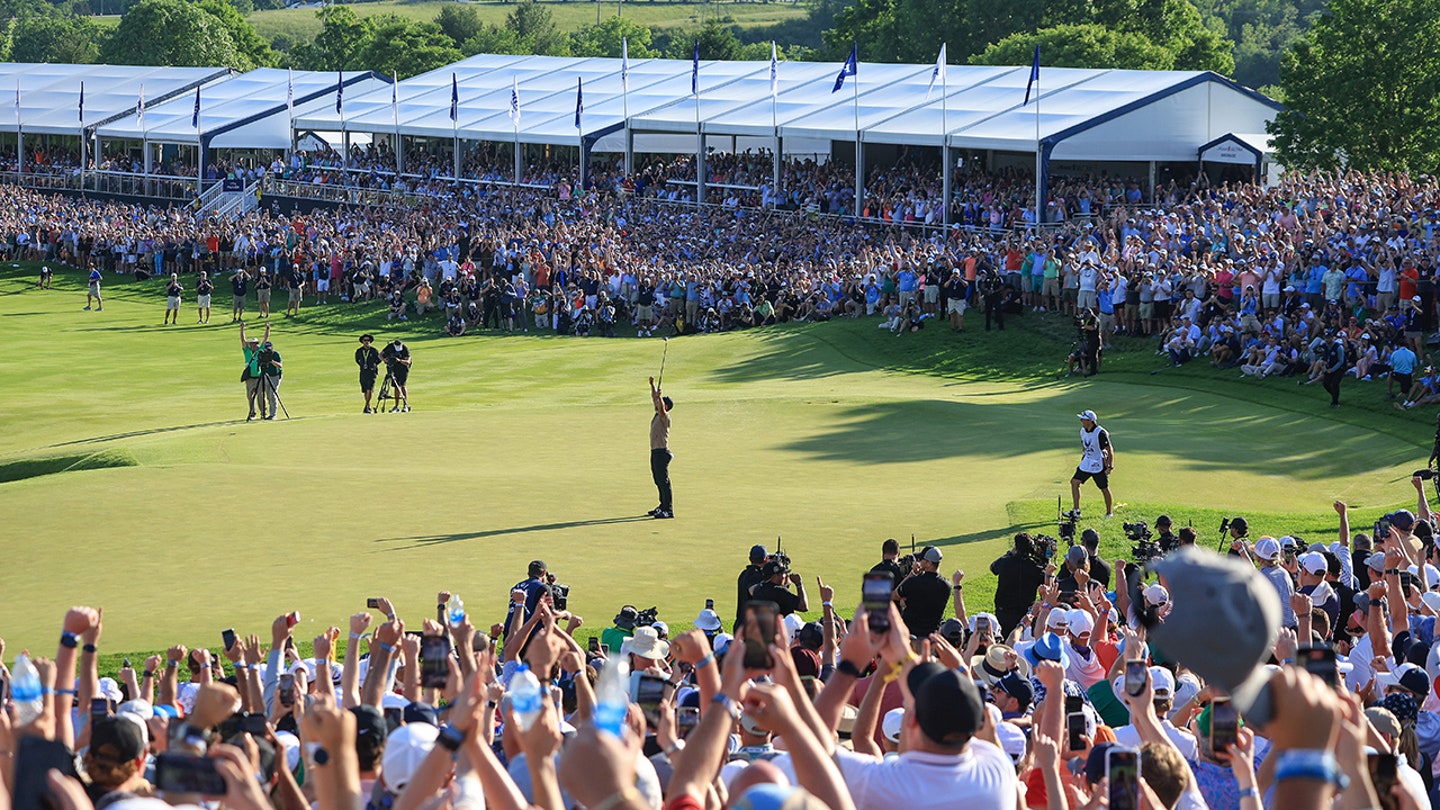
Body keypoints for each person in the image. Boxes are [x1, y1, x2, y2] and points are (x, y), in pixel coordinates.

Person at [990, 533, 1046, 636]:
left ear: (1016, 547)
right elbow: (1046, 584)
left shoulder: (1004, 562)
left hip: (1004, 612)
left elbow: (993, 568)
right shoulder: (1035, 568)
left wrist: (1010, 553)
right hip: (1025, 615)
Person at [895, 546, 952, 636]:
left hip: (911, 634)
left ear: (929, 563)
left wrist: (912, 574)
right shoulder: (946, 585)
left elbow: (895, 595)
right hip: (932, 636)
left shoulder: (913, 582)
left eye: (921, 560)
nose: (918, 562)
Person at [1069, 409, 1114, 519]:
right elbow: (1084, 446)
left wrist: (1110, 466)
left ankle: (1109, 513)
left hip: (1098, 463)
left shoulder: (1100, 433)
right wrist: (1083, 459)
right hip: (1087, 462)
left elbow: (1109, 450)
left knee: (1104, 488)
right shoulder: (1083, 431)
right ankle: (1076, 511)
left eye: (1083, 419)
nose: (1081, 421)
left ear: (1090, 421)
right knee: (1074, 482)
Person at [648, 376, 673, 519]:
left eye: (661, 402)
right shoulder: (657, 413)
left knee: (663, 481)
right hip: (655, 452)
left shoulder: (665, 416)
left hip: (661, 453)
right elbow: (655, 400)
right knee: (657, 480)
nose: (657, 403)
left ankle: (668, 510)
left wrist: (660, 397)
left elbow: (662, 408)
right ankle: (661, 506)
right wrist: (652, 385)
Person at [239, 321, 269, 421]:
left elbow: (265, 340)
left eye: (255, 344)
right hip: (249, 378)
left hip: (259, 377)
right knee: (249, 396)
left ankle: (263, 412)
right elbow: (242, 340)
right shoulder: (247, 351)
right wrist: (242, 329)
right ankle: (252, 413)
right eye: (251, 344)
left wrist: (267, 329)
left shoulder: (259, 351)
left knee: (260, 395)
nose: (253, 345)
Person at [735, 544, 769, 630]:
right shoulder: (756, 575)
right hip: (752, 626)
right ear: (766, 559)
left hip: (740, 623)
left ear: (750, 559)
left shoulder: (743, 574)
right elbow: (754, 592)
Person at [380, 338, 411, 413]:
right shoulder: (390, 347)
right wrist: (385, 360)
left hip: (403, 369)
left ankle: (405, 405)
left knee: (402, 385)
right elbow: (380, 354)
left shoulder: (404, 348)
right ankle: (396, 406)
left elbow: (408, 362)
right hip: (393, 368)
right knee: (396, 387)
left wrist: (399, 360)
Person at [257, 338, 283, 420]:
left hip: (275, 376)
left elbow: (280, 366)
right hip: (266, 375)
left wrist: (271, 361)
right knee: (268, 394)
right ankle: (267, 413)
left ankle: (273, 414)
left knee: (272, 394)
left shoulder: (276, 354)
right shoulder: (263, 354)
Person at [356, 334, 381, 414]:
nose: (366, 342)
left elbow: (379, 359)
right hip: (363, 371)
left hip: (372, 371)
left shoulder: (374, 350)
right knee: (365, 389)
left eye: (368, 340)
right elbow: (357, 360)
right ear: (362, 342)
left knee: (370, 388)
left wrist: (373, 365)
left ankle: (367, 406)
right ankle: (368, 405)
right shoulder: (359, 351)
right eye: (365, 340)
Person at [1322, 333, 1346, 408]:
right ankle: (1334, 395)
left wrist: (1332, 370)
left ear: (1332, 338)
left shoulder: (1339, 347)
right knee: (1325, 383)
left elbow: (1341, 361)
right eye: (1326, 338)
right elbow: (1324, 357)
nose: (1327, 339)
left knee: (1334, 383)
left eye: (1328, 338)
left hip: (1340, 368)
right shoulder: (1325, 346)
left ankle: (1335, 402)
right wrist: (1324, 363)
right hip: (1329, 367)